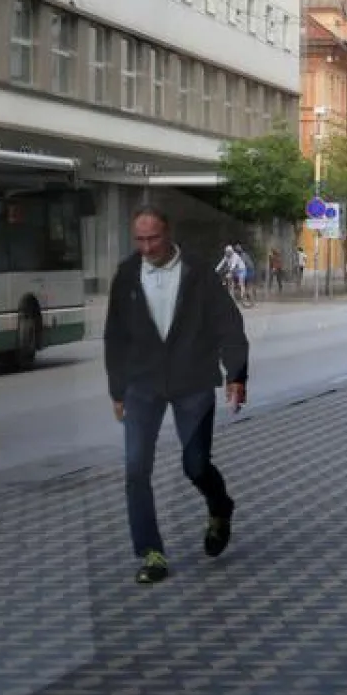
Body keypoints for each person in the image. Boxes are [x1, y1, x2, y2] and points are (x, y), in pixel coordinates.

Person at [104, 206, 248, 584]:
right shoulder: (127, 275)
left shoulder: (198, 273)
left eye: (153, 239)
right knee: (136, 468)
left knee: (196, 465)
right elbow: (115, 335)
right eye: (140, 240)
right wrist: (117, 389)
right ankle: (150, 552)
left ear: (168, 234)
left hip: (193, 382)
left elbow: (228, 324)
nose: (146, 247)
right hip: (142, 385)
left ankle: (220, 507)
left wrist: (236, 374)